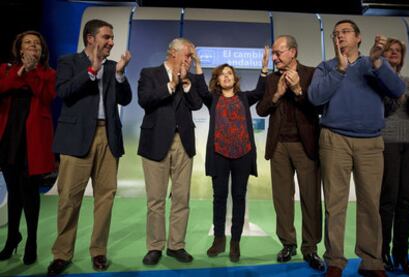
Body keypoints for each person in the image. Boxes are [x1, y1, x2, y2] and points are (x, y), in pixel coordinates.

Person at [308, 19, 405, 277]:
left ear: (359, 38)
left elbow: (398, 89)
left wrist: (376, 62)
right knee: (335, 204)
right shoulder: (326, 67)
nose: (339, 36)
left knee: (370, 204)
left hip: (371, 142)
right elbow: (315, 97)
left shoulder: (373, 64)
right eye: (335, 33)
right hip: (334, 140)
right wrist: (340, 70)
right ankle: (336, 261)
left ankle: (372, 261)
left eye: (345, 32)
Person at [47, 19, 132, 275]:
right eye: (107, 37)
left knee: (105, 198)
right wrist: (91, 71)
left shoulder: (111, 67)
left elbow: (125, 99)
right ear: (90, 38)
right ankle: (62, 254)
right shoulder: (68, 62)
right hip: (75, 139)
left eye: (112, 37)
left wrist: (119, 73)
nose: (111, 42)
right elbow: (63, 92)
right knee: (68, 200)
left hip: (108, 137)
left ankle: (99, 252)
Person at [193, 46, 269, 263]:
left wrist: (264, 68)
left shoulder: (245, 98)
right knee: (219, 198)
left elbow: (261, 91)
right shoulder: (213, 99)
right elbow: (199, 89)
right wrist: (198, 65)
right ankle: (219, 240)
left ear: (234, 78)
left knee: (238, 197)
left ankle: (235, 242)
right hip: (219, 154)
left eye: (229, 73)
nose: (225, 77)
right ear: (217, 81)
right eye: (221, 74)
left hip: (243, 154)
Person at [256, 35, 324, 271]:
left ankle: (310, 248)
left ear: (293, 52)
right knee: (282, 199)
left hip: (306, 145)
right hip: (279, 146)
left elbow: (318, 107)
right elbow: (261, 109)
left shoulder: (312, 74)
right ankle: (288, 244)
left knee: (311, 197)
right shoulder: (272, 78)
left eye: (278, 53)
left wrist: (297, 89)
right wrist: (277, 93)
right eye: (273, 53)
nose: (274, 57)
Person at [138, 38, 202, 266]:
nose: (189, 60)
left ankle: (176, 245)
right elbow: (144, 100)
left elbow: (197, 105)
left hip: (183, 142)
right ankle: (155, 246)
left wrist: (185, 83)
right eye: (187, 55)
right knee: (155, 199)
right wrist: (171, 85)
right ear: (173, 53)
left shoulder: (190, 78)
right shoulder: (149, 73)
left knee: (181, 198)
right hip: (155, 141)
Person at [0, 30, 56, 265]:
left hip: (33, 141)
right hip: (8, 138)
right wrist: (20, 71)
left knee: (30, 193)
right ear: (20, 49)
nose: (33, 46)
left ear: (42, 50)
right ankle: (13, 238)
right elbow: (3, 87)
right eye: (28, 43)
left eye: (37, 44)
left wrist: (32, 73)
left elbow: (46, 97)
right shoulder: (6, 69)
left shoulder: (49, 73)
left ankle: (31, 241)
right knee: (13, 192)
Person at [380, 38, 409, 275]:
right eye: (390, 50)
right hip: (387, 143)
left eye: (397, 51)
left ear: (402, 58)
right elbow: (384, 107)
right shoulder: (379, 81)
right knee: (388, 200)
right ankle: (382, 252)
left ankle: (401, 254)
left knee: (406, 201)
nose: (394, 53)